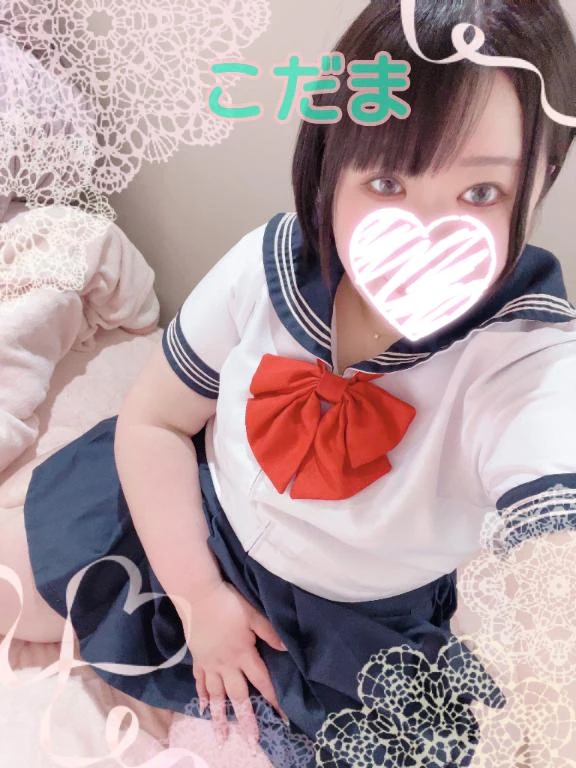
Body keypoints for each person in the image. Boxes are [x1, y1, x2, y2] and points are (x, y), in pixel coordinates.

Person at [3, 1, 576, 765]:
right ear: (333, 158)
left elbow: (553, 506)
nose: (425, 236)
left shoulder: (524, 355)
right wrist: (199, 597)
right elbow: (155, 421)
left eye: (481, 194)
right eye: (386, 180)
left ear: (539, 182)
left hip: (353, 629)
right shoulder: (267, 268)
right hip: (191, 524)